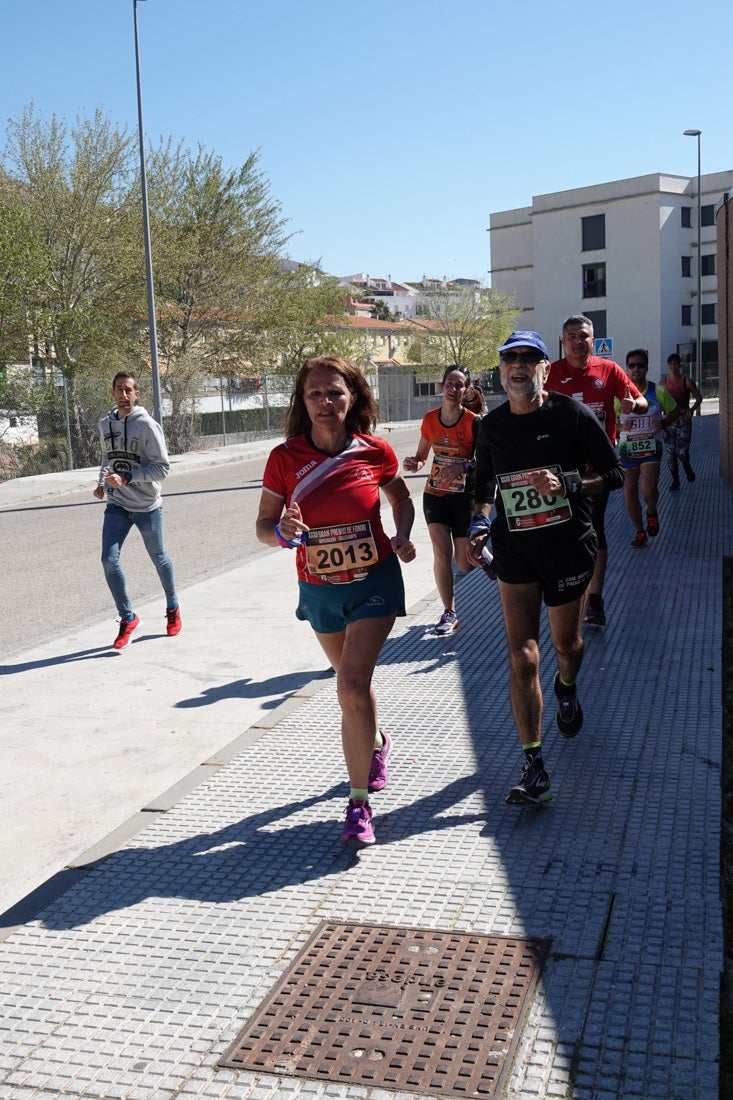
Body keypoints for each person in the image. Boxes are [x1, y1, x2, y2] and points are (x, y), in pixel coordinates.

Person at [255, 355, 416, 848]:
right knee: (354, 692)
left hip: (375, 583)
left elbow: (403, 499)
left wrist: (402, 535)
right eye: (315, 394)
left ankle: (358, 804)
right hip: (321, 591)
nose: (325, 402)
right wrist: (281, 533)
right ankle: (379, 743)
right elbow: (263, 527)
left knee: (350, 683)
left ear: (353, 397)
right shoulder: (285, 459)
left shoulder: (375, 451)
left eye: (335, 393)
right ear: (302, 403)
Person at [467, 330, 624, 805]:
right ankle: (534, 764)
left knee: (567, 646)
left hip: (567, 548)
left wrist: (570, 482)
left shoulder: (570, 415)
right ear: (500, 371)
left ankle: (567, 685)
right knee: (523, 655)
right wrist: (478, 523)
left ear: (543, 369)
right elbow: (484, 484)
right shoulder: (491, 427)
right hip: (516, 553)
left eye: (528, 359)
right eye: (509, 359)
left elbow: (614, 473)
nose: (518, 366)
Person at [547, 315, 647, 628]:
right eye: (572, 336)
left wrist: (635, 406)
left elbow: (640, 400)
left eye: (584, 336)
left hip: (597, 469)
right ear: (563, 341)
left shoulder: (609, 370)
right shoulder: (550, 373)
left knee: (594, 529)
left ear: (594, 340)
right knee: (560, 531)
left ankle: (595, 598)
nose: (578, 341)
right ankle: (565, 591)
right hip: (558, 471)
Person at [93, 371, 181, 650]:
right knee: (109, 559)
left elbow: (163, 468)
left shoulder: (147, 425)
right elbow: (107, 458)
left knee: (159, 557)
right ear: (112, 392)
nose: (123, 394)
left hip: (146, 505)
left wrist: (128, 477)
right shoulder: (105, 423)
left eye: (128, 390)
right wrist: (101, 483)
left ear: (137, 393)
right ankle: (128, 617)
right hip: (117, 502)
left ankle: (173, 607)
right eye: (119, 389)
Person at [403, 364, 479, 636]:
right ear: (441, 386)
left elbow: (485, 463)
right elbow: (422, 455)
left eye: (460, 385)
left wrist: (464, 468)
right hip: (435, 495)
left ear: (466, 390)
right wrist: (414, 462)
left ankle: (483, 553)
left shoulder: (472, 422)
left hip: (462, 498)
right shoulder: (429, 419)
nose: (453, 388)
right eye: (449, 382)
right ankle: (449, 611)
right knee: (441, 554)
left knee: (465, 563)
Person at [620, 350, 679, 548]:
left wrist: (662, 422)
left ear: (646, 368)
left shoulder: (658, 391)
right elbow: (607, 422)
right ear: (627, 368)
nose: (636, 369)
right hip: (628, 449)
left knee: (647, 489)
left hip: (651, 447)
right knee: (629, 492)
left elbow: (675, 411)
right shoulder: (618, 393)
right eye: (632, 365)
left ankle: (651, 511)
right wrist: (621, 427)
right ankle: (639, 531)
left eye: (640, 365)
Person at [661, 353, 702, 489]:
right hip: (668, 421)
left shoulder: (687, 381)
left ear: (679, 365)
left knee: (682, 452)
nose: (673, 366)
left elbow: (699, 398)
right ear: (668, 366)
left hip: (683, 419)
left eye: (676, 364)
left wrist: (691, 410)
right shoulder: (663, 383)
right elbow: (658, 401)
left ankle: (687, 467)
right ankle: (675, 481)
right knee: (670, 454)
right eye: (671, 364)